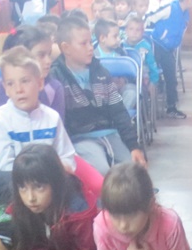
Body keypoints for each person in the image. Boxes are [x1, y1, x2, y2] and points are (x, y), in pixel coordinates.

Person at [52, 16, 145, 176]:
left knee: (134, 172)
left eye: (90, 42)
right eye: (84, 43)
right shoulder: (57, 77)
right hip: (80, 139)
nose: (90, 48)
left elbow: (119, 111)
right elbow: (60, 121)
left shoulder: (100, 72)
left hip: (109, 134)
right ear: (66, 48)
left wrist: (133, 146)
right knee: (102, 172)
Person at [11, 144, 100, 250]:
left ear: (55, 183)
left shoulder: (78, 212)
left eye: (39, 187)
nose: (30, 198)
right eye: (23, 187)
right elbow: (35, 244)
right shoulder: (24, 208)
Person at [0, 46, 76, 174]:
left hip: (52, 180)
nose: (18, 89)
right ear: (5, 88)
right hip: (16, 182)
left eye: (25, 81)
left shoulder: (52, 118)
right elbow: (4, 167)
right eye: (10, 84)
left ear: (40, 83)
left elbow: (68, 159)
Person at [94, 162, 188, 250]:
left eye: (132, 215)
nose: (123, 225)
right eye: (115, 215)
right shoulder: (102, 227)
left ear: (151, 205)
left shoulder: (170, 224)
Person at [145, 0, 192, 119]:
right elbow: (150, 17)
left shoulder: (186, 13)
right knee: (152, 75)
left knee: (171, 78)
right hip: (157, 45)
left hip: (169, 49)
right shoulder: (169, 8)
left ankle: (171, 108)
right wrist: (144, 34)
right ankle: (147, 106)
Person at [0, 25, 66, 120]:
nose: (48, 61)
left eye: (49, 54)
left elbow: (57, 125)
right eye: (41, 55)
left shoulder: (54, 88)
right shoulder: (5, 85)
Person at [94, 18, 137, 111]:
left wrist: (123, 80)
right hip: (101, 91)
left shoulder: (121, 53)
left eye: (119, 36)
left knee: (132, 91)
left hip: (120, 89)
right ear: (102, 38)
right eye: (115, 36)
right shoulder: (93, 55)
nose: (118, 39)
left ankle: (121, 115)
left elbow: (129, 75)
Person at [123, 14, 160, 89]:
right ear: (126, 30)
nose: (134, 32)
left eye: (138, 30)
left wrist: (153, 81)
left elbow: (152, 64)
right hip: (125, 76)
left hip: (142, 77)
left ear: (143, 32)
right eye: (131, 29)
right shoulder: (121, 45)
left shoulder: (146, 46)